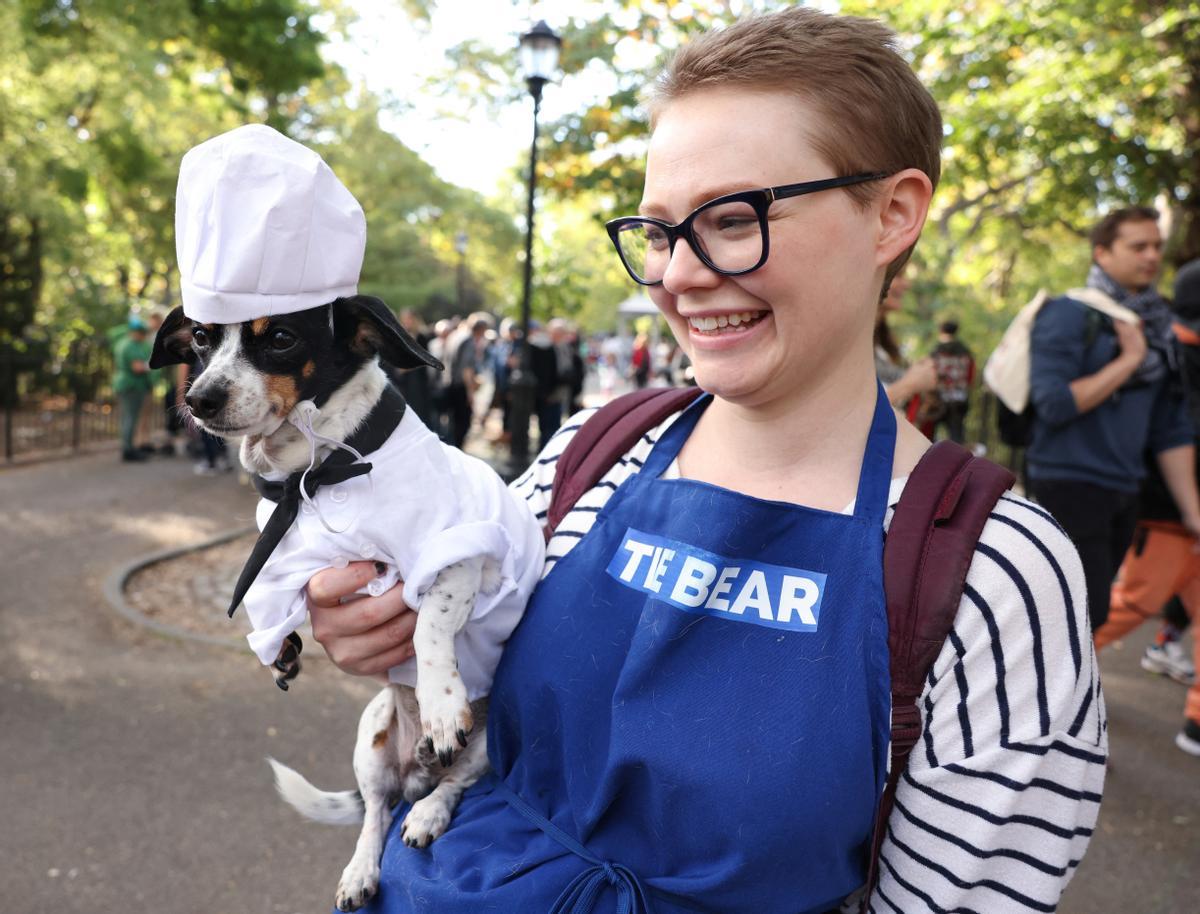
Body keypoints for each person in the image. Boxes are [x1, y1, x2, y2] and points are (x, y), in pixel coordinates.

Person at [303, 9, 1103, 912]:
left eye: (732, 218)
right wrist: (391, 630)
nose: (677, 274)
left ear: (893, 214)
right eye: (655, 231)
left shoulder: (988, 570)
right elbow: (454, 697)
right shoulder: (589, 451)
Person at [1027, 206, 1200, 632]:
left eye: (1157, 246)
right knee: (1077, 614)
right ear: (1102, 254)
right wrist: (1129, 361)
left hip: (1124, 489)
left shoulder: (1158, 329)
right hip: (1066, 480)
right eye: (1138, 246)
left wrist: (1193, 513)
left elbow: (1169, 430)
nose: (1152, 256)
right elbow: (1053, 404)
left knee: (1088, 617)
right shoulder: (1068, 313)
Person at [1094, 257, 1200, 755]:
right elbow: (1163, 435)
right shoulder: (1167, 350)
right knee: (1132, 603)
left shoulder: (1166, 346)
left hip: (1174, 508)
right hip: (1164, 512)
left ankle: (1197, 723)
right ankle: (1046, 671)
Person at [874, 270, 938, 411]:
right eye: (897, 275)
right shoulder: (848, 343)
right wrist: (910, 384)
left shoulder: (881, 343)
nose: (907, 284)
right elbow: (854, 412)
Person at [112, 315, 153, 462]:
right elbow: (137, 367)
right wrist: (151, 366)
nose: (143, 336)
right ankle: (128, 449)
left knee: (126, 417)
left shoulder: (122, 343)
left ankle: (128, 446)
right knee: (130, 417)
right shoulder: (131, 346)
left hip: (125, 384)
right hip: (132, 385)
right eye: (142, 333)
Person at [930, 318, 975, 443]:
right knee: (957, 438)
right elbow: (970, 377)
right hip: (959, 399)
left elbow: (929, 374)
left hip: (937, 399)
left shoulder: (936, 351)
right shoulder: (966, 353)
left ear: (941, 331)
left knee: (929, 438)